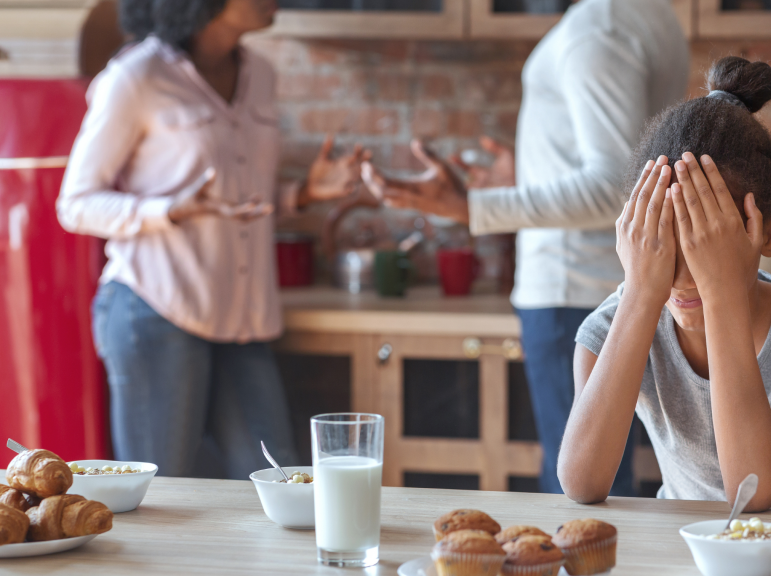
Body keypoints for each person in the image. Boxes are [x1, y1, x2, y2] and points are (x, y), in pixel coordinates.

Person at [362, 0, 690, 496]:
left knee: (582, 494)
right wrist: (526, 176)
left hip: (572, 293)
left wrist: (471, 207)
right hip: (604, 286)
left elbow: (616, 188)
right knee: (605, 487)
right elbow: (632, 164)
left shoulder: (597, 29)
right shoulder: (650, 17)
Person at [58, 0, 369, 479]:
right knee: (160, 495)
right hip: (156, 309)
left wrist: (303, 193)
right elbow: (74, 203)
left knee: (280, 484)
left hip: (243, 319)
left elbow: (236, 197)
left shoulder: (261, 74)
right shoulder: (136, 76)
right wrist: (168, 211)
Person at [558, 57, 771, 508]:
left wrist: (721, 293)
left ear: (770, 233)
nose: (683, 279)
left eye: (706, 247)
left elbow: (755, 489)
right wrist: (642, 293)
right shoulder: (611, 328)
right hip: (682, 545)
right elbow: (582, 483)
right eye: (663, 244)